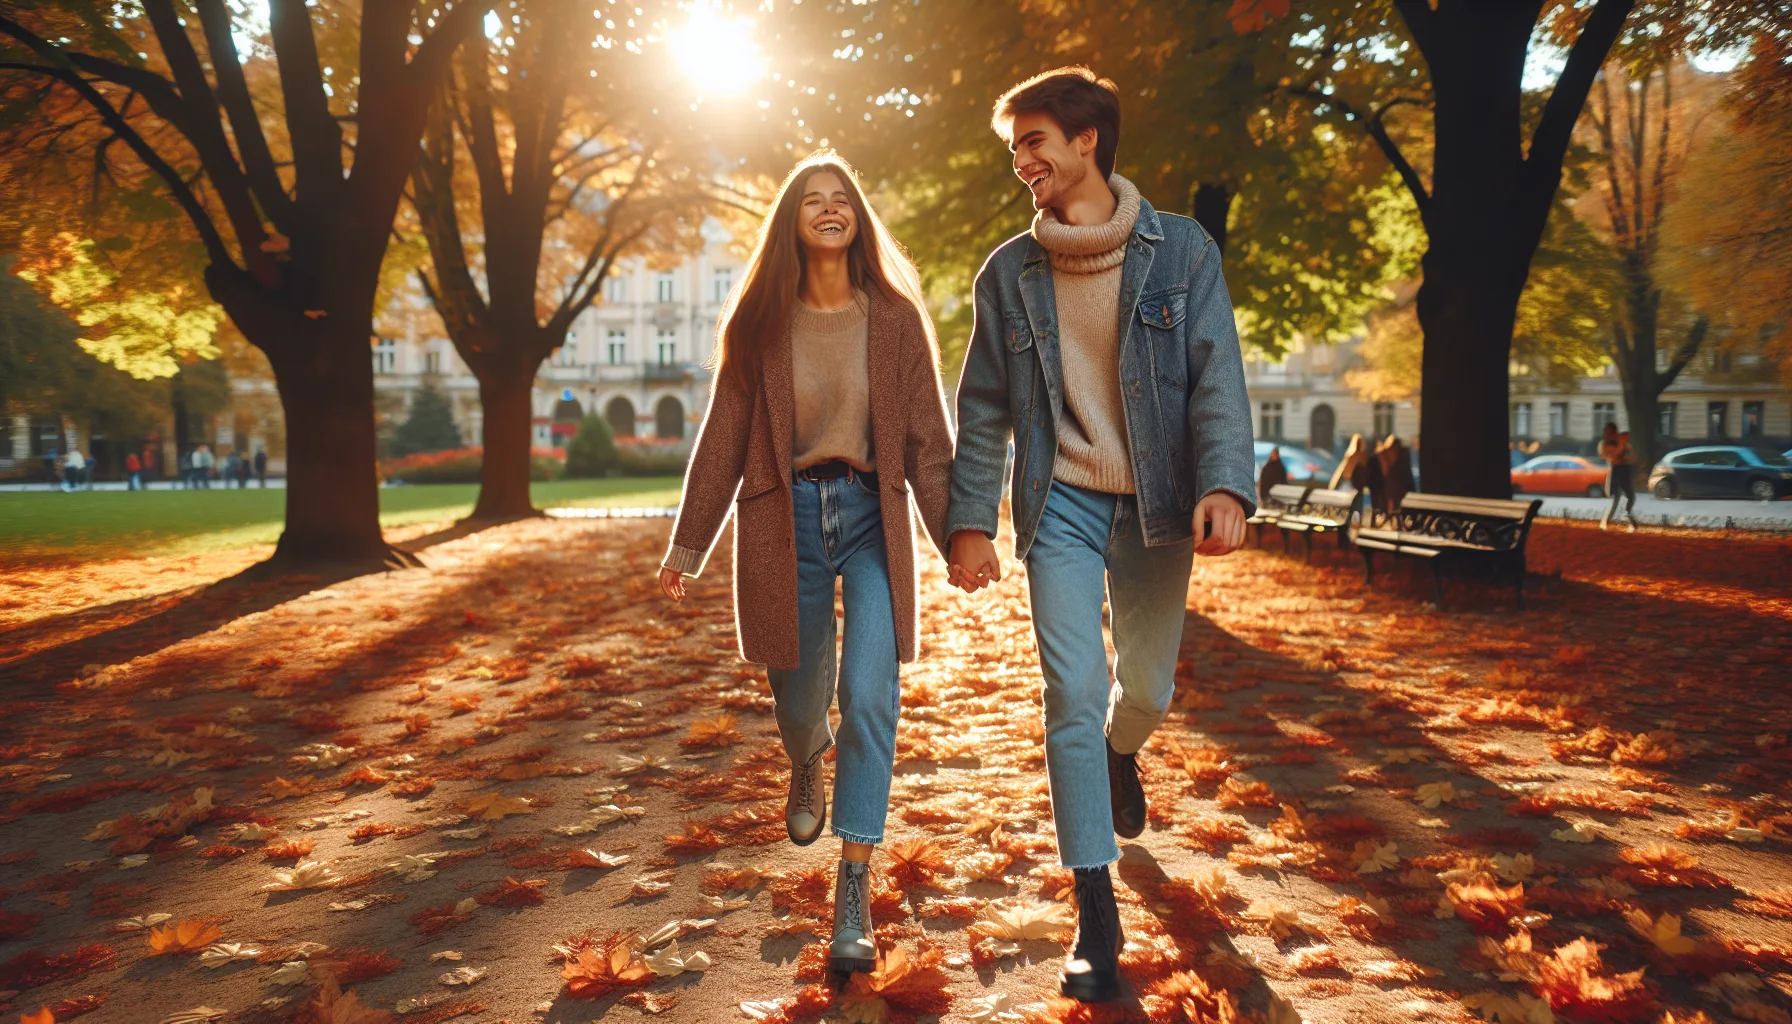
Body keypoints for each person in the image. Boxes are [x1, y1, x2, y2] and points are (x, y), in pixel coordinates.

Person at [943, 67, 1255, 1004]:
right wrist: (968, 522)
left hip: (1157, 503)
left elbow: (1217, 378)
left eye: (1035, 142)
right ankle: (1095, 905)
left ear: (1087, 140)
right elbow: (986, 407)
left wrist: (1225, 485)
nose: (1022, 162)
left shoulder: (1183, 252)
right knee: (1070, 689)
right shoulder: (1008, 273)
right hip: (1063, 504)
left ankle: (1125, 749)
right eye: (1013, 150)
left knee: (1145, 689)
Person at [656, 154, 954, 979]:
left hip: (868, 519)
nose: (828, 209)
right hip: (782, 523)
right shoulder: (760, 322)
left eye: (841, 199)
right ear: (792, 223)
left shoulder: (894, 317)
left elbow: (930, 446)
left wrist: (960, 536)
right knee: (798, 699)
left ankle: (853, 884)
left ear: (857, 216)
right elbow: (722, 437)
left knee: (868, 695)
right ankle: (802, 758)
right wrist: (688, 545)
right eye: (811, 202)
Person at [1598, 422, 1636, 531]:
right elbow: (1613, 456)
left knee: (1630, 497)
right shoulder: (1604, 444)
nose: (1607, 434)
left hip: (1626, 469)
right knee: (1613, 495)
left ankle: (1630, 520)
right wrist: (1622, 442)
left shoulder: (1622, 441)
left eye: (1609, 431)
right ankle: (1606, 522)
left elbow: (1631, 456)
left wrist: (1624, 446)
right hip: (1616, 470)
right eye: (1606, 432)